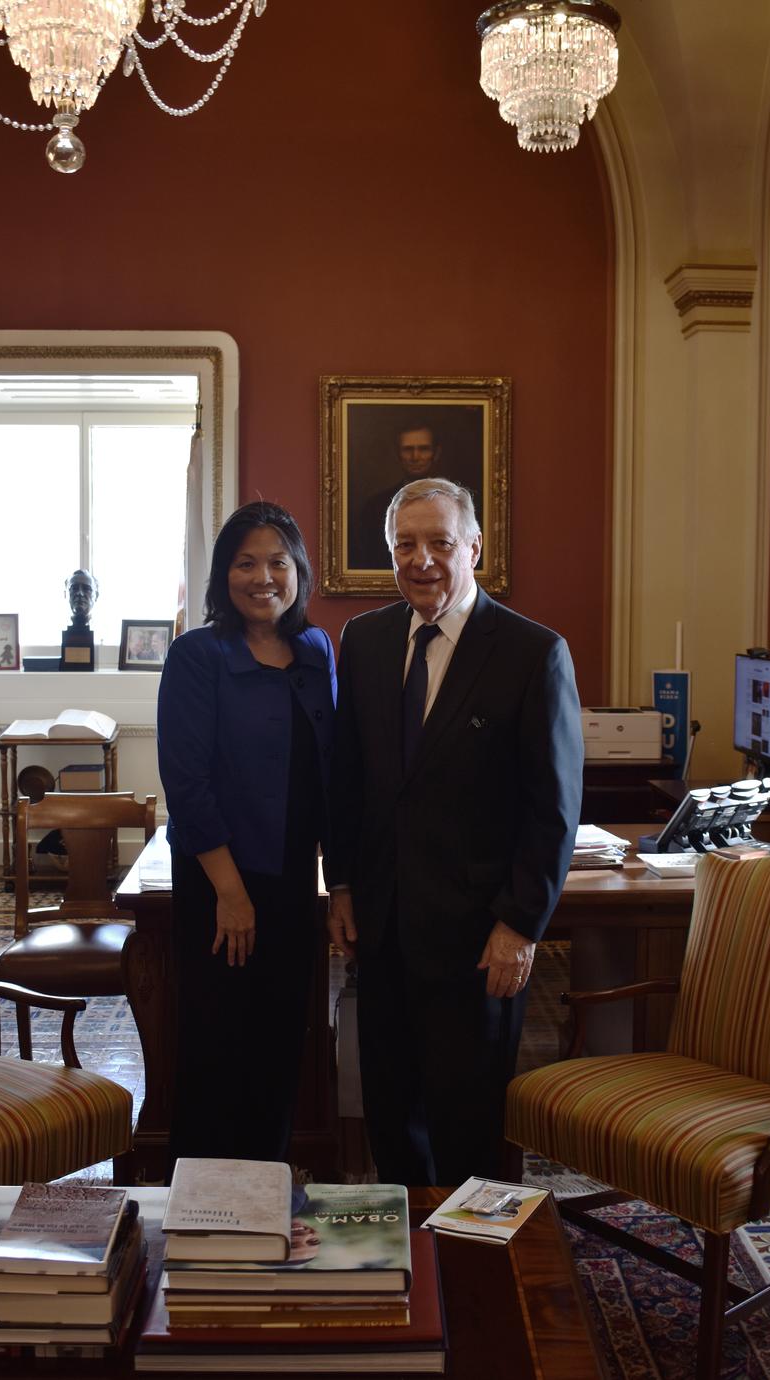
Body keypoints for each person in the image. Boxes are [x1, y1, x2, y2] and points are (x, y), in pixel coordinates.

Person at [327, 477, 583, 1186]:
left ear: (474, 547)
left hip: (478, 937)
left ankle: (471, 1276)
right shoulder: (368, 639)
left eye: (440, 542)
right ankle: (412, 1261)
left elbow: (552, 807)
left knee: (468, 1122)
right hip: (381, 929)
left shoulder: (533, 652)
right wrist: (341, 882)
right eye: (405, 545)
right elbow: (348, 778)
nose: (422, 559)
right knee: (389, 1112)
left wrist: (520, 926)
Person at [157, 501, 336, 1172]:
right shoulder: (197, 655)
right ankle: (200, 1213)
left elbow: (329, 773)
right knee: (218, 1048)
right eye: (246, 562)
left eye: (278, 562)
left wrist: (336, 879)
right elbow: (188, 783)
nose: (264, 576)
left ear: (299, 573)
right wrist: (231, 893)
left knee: (280, 1043)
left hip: (292, 881)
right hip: (220, 882)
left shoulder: (316, 651)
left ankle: (265, 1193)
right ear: (223, 574)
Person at [351, 421, 482, 570]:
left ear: (436, 453)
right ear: (397, 454)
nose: (415, 456)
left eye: (424, 449)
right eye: (408, 449)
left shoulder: (462, 505)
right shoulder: (374, 506)